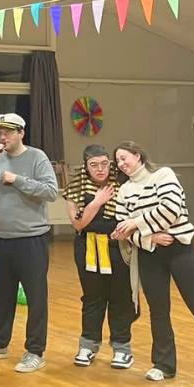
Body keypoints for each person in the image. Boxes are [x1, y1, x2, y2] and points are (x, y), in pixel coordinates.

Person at [112, 141, 194, 381]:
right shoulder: (124, 190)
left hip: (180, 249)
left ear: (138, 156)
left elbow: (171, 210)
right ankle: (163, 364)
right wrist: (150, 237)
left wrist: (136, 223)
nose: (121, 164)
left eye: (124, 158)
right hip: (149, 253)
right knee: (158, 311)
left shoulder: (163, 175)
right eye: (117, 161)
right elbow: (121, 227)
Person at [0, 113, 58, 373]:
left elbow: (51, 191)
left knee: (36, 297)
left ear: (21, 133)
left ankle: (35, 351)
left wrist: (17, 180)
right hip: (0, 238)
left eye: (8, 132)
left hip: (31, 239)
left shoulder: (37, 157)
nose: (3, 137)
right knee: (2, 296)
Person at [62, 145, 136, 369]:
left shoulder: (123, 183)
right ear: (86, 167)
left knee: (121, 297)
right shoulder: (75, 187)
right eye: (94, 165)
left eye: (105, 163)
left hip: (118, 246)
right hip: (87, 246)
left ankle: (122, 348)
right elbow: (78, 224)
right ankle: (88, 344)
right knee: (92, 297)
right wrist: (96, 201)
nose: (100, 169)